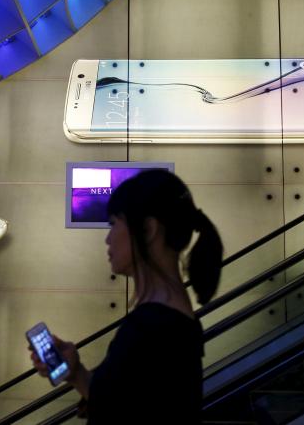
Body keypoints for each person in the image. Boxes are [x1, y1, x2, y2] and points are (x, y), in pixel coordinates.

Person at [30, 169, 223, 424]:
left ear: (148, 229)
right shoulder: (170, 323)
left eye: (113, 224)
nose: (108, 239)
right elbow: (123, 403)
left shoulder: (150, 329)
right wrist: (76, 373)